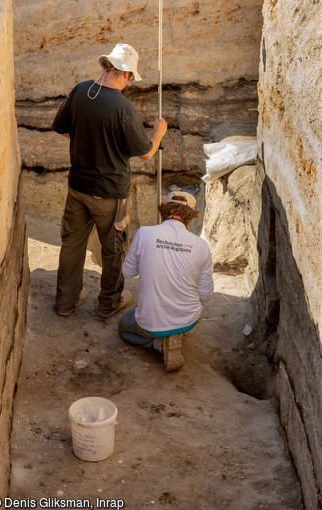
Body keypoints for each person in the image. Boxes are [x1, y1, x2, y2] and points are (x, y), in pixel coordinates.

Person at [52, 44, 167, 318]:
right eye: (130, 77)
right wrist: (159, 132)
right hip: (110, 194)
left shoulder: (80, 90)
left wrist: (85, 140)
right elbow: (146, 153)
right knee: (113, 250)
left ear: (107, 66)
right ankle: (109, 304)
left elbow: (60, 127)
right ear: (125, 73)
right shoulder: (123, 108)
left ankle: (65, 303)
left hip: (78, 187)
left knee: (71, 245)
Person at [118, 191, 214, 371]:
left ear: (164, 210)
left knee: (123, 326)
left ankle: (158, 343)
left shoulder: (144, 233)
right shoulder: (201, 246)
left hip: (150, 321)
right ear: (190, 217)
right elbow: (206, 295)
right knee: (184, 311)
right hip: (188, 319)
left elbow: (127, 272)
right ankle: (176, 334)